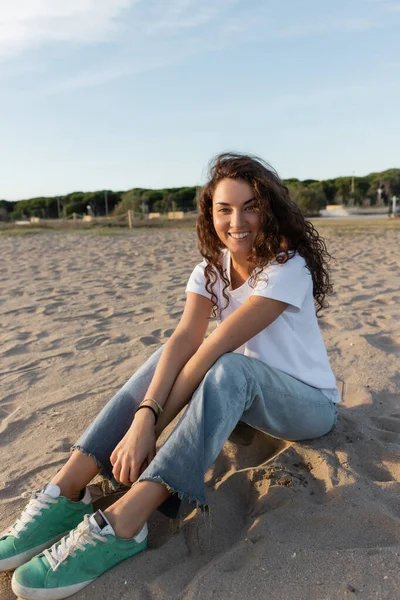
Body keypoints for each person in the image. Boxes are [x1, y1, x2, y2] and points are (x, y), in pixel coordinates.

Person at [1, 153, 340, 600]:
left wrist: (149, 428)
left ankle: (127, 521)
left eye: (250, 206)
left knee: (226, 366)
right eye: (225, 209)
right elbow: (184, 342)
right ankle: (68, 488)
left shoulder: (286, 267)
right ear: (209, 213)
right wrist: (144, 416)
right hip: (238, 401)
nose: (237, 220)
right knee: (170, 354)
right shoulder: (210, 270)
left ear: (269, 209)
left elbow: (213, 352)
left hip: (306, 407)